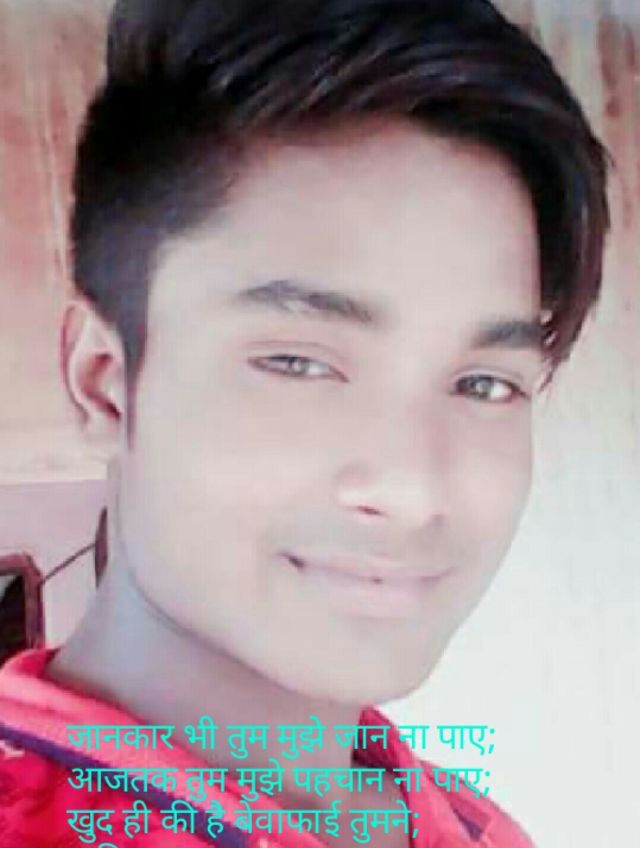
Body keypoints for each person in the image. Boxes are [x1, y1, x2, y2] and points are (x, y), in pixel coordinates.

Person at [0, 0, 609, 846]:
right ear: (105, 384)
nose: (412, 490)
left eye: (483, 383)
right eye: (298, 363)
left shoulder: (468, 823)